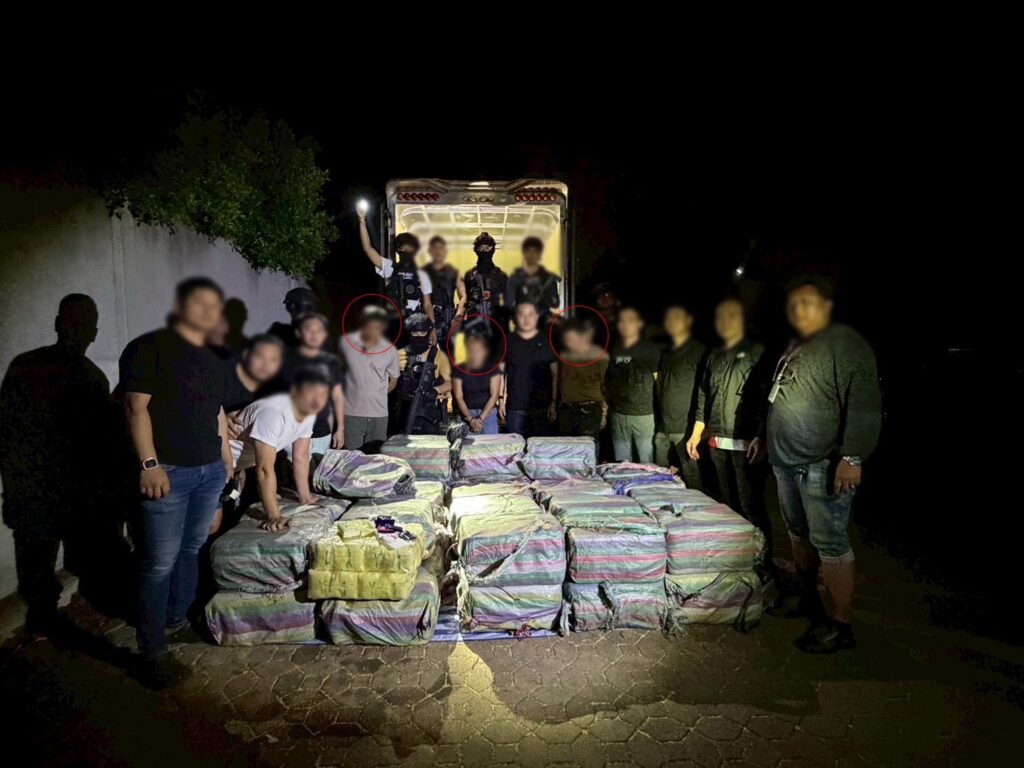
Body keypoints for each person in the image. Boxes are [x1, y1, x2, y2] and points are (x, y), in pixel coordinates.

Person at [119, 278, 233, 688]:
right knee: (159, 561)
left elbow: (217, 409)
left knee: (191, 548)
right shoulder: (148, 348)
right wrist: (149, 464)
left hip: (208, 471)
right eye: (199, 304)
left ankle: (175, 620)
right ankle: (151, 652)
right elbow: (135, 407)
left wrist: (225, 458)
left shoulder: (213, 355)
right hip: (168, 473)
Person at [764, 277, 881, 654]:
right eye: (794, 303)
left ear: (827, 307)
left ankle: (840, 625)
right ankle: (807, 599)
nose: (799, 309)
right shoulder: (797, 344)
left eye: (808, 302)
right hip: (786, 462)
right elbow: (779, 394)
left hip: (821, 464)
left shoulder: (846, 345)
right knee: (798, 534)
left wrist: (852, 457)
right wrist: (765, 437)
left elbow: (864, 405)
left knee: (830, 543)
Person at [0, 294, 111, 636]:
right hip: (53, 488)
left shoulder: (28, 366)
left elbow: (9, 433)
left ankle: (46, 617)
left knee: (40, 561)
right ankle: (50, 619)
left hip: (46, 487)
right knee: (45, 562)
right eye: (78, 324)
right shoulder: (89, 377)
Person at [686, 299, 770, 530]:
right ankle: (736, 548)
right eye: (721, 317)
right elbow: (703, 395)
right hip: (717, 440)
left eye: (731, 316)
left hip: (746, 441)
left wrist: (761, 435)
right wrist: (696, 432)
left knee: (750, 503)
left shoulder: (757, 352)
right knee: (727, 504)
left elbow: (766, 397)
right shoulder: (713, 354)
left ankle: (762, 549)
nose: (725, 321)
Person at [228, 367, 330, 530]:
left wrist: (305, 497)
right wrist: (274, 516)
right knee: (213, 522)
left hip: (240, 466)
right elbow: (264, 470)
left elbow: (301, 456)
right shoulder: (273, 413)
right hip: (219, 463)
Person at [655, 305, 707, 488]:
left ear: (688, 321)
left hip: (685, 428)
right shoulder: (667, 352)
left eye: (677, 317)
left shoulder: (698, 351)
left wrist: (699, 427)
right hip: (663, 427)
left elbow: (704, 390)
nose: (672, 322)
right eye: (669, 318)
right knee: (660, 478)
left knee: (693, 479)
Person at [280, 314, 345, 455]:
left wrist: (339, 429)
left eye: (319, 330)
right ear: (299, 333)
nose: (314, 335)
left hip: (321, 432)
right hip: (292, 431)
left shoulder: (330, 362)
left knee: (318, 468)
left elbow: (337, 396)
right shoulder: (287, 360)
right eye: (309, 329)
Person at [357, 209, 434, 323]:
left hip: (414, 324)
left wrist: (432, 327)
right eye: (401, 246)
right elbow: (368, 249)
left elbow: (427, 305)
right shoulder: (392, 268)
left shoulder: (421, 274)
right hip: (394, 322)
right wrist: (362, 221)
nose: (403, 249)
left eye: (407, 246)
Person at [605, 307, 662, 463]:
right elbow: (608, 379)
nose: (625, 324)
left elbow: (660, 383)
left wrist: (661, 413)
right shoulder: (615, 349)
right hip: (618, 415)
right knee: (621, 463)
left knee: (646, 462)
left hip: (644, 415)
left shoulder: (650, 349)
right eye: (622, 321)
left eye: (630, 320)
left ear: (639, 324)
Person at [339, 306, 400, 450]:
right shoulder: (346, 343)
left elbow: (394, 380)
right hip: (353, 413)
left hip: (379, 415)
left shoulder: (390, 350)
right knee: (352, 457)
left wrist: (377, 395)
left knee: (376, 457)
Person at [501, 301, 557, 437]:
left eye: (530, 315)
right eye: (522, 315)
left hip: (541, 407)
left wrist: (554, 402)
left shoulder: (547, 342)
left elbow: (555, 374)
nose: (526, 319)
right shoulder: (507, 341)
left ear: (536, 317)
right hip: (515, 406)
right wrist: (500, 399)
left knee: (539, 448)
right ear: (516, 318)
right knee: (514, 447)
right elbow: (500, 373)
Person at [394, 313, 452, 434]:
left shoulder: (438, 355)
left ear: (428, 332)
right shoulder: (398, 354)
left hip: (428, 412)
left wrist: (435, 391)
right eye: (415, 333)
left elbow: (450, 382)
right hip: (403, 410)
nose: (419, 336)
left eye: (422, 332)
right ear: (409, 333)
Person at [552, 317, 608, 438]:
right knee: (567, 446)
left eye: (572, 339)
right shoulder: (564, 356)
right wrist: (554, 403)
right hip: (567, 410)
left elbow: (606, 384)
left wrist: (605, 412)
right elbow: (559, 380)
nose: (568, 343)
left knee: (588, 445)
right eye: (566, 339)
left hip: (589, 409)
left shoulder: (599, 356)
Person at [452, 333, 502, 434]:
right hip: (465, 415)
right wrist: (470, 419)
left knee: (490, 444)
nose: (475, 354)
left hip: (488, 414)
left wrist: (480, 419)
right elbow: (458, 396)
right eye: (471, 350)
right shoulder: (458, 369)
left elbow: (494, 395)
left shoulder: (493, 368)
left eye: (478, 350)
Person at [223, 334, 286, 413]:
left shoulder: (277, 389)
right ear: (246, 354)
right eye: (260, 356)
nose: (266, 365)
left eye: (273, 360)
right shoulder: (221, 375)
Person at [505, 237, 560, 324]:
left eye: (535, 251)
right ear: (524, 253)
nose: (532, 255)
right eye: (528, 251)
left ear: (540, 254)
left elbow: (555, 304)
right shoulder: (515, 278)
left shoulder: (548, 278)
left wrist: (544, 299)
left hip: (543, 323)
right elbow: (508, 305)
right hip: (523, 323)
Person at [422, 236, 465, 343]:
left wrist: (457, 318)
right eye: (435, 248)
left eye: (441, 248)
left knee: (448, 351)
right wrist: (431, 325)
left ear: (446, 251)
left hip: (450, 319)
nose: (438, 251)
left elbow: (464, 296)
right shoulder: (423, 272)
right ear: (430, 251)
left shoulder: (454, 272)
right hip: (428, 319)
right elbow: (425, 302)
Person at [463, 232, 508, 321]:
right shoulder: (469, 275)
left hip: (495, 322)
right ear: (476, 250)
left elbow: (508, 302)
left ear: (492, 249)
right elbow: (464, 300)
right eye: (481, 248)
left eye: (487, 248)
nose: (484, 251)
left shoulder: (501, 276)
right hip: (474, 322)